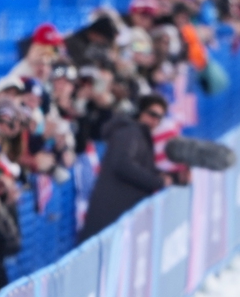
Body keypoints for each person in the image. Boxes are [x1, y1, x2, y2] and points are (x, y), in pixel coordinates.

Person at [80, 94, 186, 241]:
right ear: (140, 111)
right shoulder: (129, 133)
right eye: (152, 114)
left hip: (120, 218)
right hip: (108, 216)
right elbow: (122, 164)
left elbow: (144, 168)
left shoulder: (141, 136)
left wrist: (174, 178)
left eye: (159, 118)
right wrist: (158, 182)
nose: (155, 121)